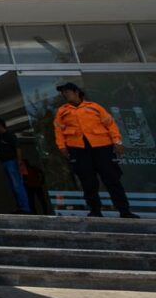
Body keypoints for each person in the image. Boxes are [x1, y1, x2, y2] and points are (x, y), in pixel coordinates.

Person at [54, 83, 139, 219]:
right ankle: (95, 211)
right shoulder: (62, 111)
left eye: (67, 91)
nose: (65, 94)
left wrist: (117, 142)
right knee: (88, 182)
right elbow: (58, 130)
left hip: (102, 147)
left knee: (112, 179)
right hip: (78, 149)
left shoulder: (94, 106)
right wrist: (62, 146)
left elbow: (110, 124)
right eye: (63, 92)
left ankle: (124, 210)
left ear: (76, 92)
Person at [0, 117, 31, 214]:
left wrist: (19, 161)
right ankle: (20, 207)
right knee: (12, 186)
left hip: (12, 162)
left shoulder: (9, 135)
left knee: (17, 185)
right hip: (5, 162)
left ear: (0, 125)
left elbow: (18, 148)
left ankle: (25, 208)